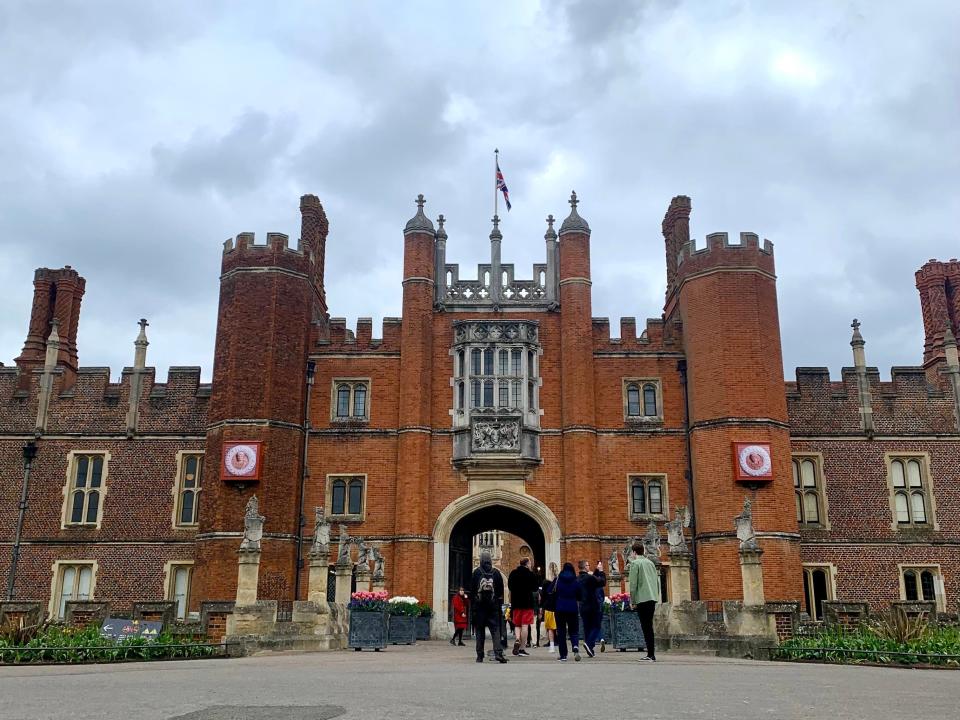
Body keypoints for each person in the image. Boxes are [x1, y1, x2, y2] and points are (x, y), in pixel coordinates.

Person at [471, 551, 508, 663]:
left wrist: (474, 604)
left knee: (479, 631)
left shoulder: (477, 572)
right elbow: (501, 591)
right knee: (495, 631)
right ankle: (498, 653)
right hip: (493, 607)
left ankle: (480, 655)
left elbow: (472, 589)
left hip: (480, 607)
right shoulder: (496, 573)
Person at [628, 541, 659, 662]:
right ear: (644, 551)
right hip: (652, 597)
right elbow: (656, 581)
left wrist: (633, 600)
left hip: (642, 598)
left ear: (634, 552)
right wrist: (656, 595)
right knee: (649, 626)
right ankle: (651, 653)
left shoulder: (635, 563)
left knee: (645, 627)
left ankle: (650, 654)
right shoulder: (650, 563)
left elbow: (633, 584)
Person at [507, 558, 537, 656]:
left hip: (516, 603)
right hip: (527, 603)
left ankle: (517, 639)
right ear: (527, 564)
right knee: (525, 625)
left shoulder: (513, 573)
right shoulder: (530, 574)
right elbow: (535, 588)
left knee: (517, 625)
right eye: (530, 563)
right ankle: (522, 648)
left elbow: (510, 587)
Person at [553, 561, 583, 662]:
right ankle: (575, 646)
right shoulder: (575, 580)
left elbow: (551, 591)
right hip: (572, 607)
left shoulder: (558, 580)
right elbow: (580, 595)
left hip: (560, 608)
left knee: (561, 632)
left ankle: (563, 655)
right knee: (574, 630)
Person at [577, 559, 606, 658]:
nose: (589, 566)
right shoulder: (589, 578)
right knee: (596, 626)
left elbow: (592, 578)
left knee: (587, 627)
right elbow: (602, 582)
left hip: (582, 606)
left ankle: (590, 648)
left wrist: (596, 571)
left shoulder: (577, 579)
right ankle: (589, 644)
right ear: (585, 567)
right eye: (588, 565)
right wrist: (601, 571)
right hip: (592, 605)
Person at [539, 562, 559, 653]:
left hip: (549, 606)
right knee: (558, 625)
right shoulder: (558, 581)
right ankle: (558, 640)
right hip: (558, 605)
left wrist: (541, 607)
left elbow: (543, 596)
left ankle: (551, 644)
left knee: (550, 626)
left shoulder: (546, 582)